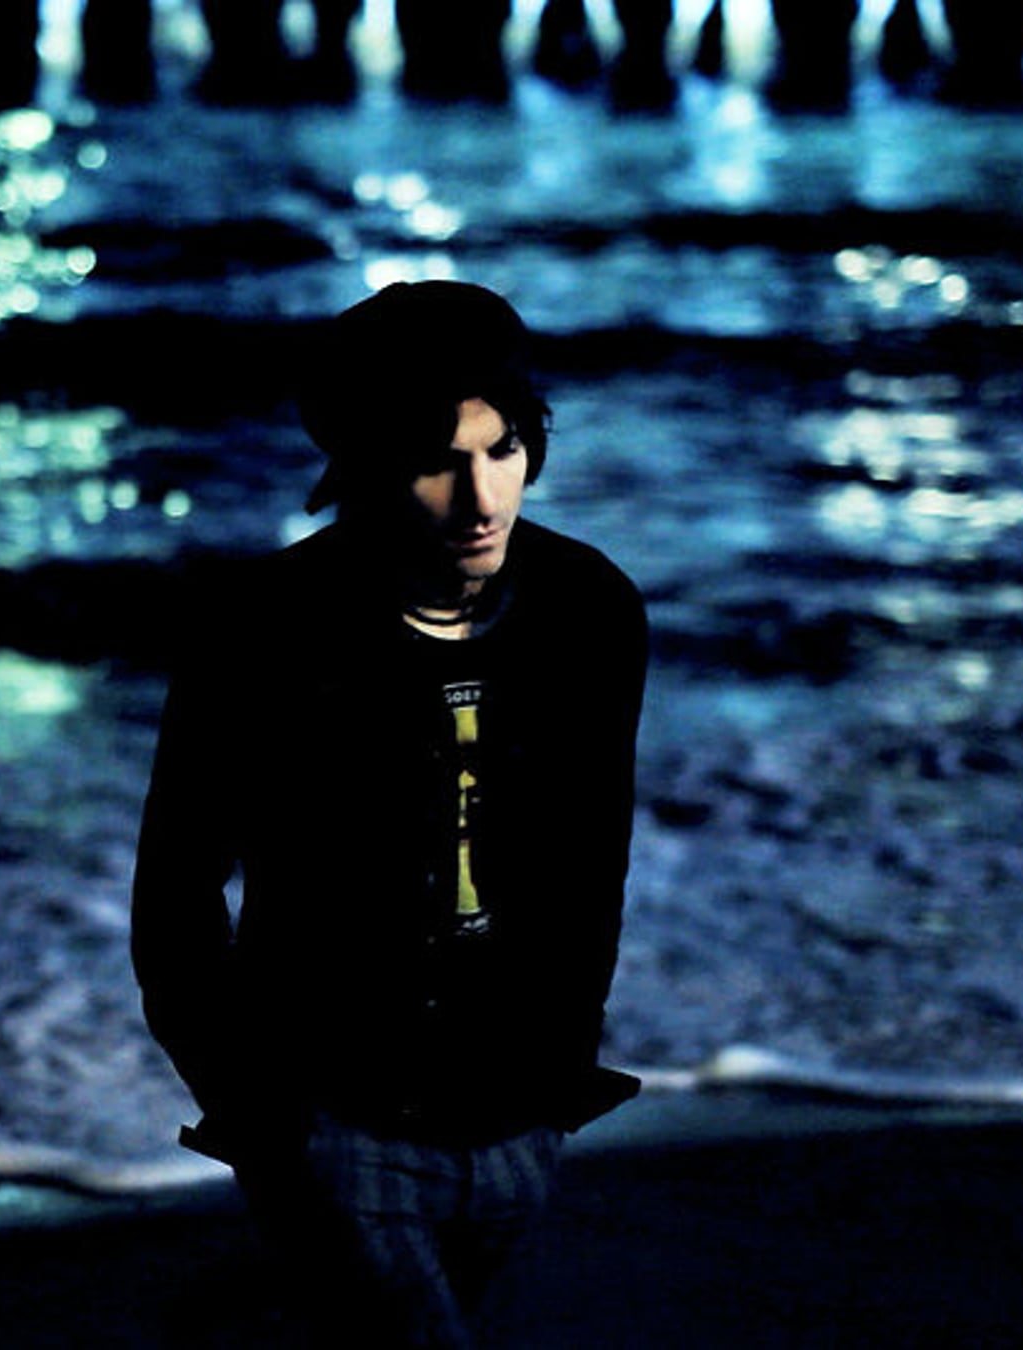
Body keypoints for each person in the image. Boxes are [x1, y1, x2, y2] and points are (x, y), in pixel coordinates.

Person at [130, 280, 649, 1348]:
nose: (481, 499)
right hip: (334, 1116)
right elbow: (177, 887)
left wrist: (560, 1070)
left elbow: (592, 859)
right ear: (366, 467)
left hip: (517, 1111)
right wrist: (258, 1114)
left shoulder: (587, 608)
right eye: (435, 463)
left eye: (504, 450)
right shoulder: (265, 630)